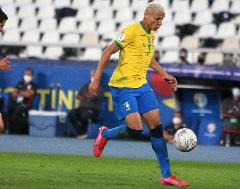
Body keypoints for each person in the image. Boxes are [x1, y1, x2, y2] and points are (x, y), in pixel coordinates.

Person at [88, 2, 189, 187]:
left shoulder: (151, 34)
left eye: (162, 20)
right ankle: (105, 134)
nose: (160, 23)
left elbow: (148, 58)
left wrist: (164, 73)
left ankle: (166, 175)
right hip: (123, 85)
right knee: (135, 128)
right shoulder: (131, 31)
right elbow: (107, 52)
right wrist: (95, 79)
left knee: (156, 126)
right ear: (146, 15)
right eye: (157, 19)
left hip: (141, 85)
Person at [68, 70, 104, 139]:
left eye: (94, 75)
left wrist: (85, 97)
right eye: (92, 75)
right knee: (71, 113)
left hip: (93, 110)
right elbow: (78, 96)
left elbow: (93, 97)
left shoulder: (100, 88)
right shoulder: (85, 86)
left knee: (86, 114)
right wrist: (86, 97)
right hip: (82, 108)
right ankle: (80, 131)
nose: (92, 77)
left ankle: (83, 132)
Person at [7, 67, 37, 135]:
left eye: (29, 74)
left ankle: (17, 132)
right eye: (26, 74)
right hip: (17, 103)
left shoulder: (33, 85)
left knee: (18, 111)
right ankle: (10, 130)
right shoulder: (20, 83)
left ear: (32, 75)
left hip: (26, 104)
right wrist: (23, 92)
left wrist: (19, 92)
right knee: (9, 109)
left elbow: (28, 95)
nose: (27, 76)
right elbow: (14, 93)